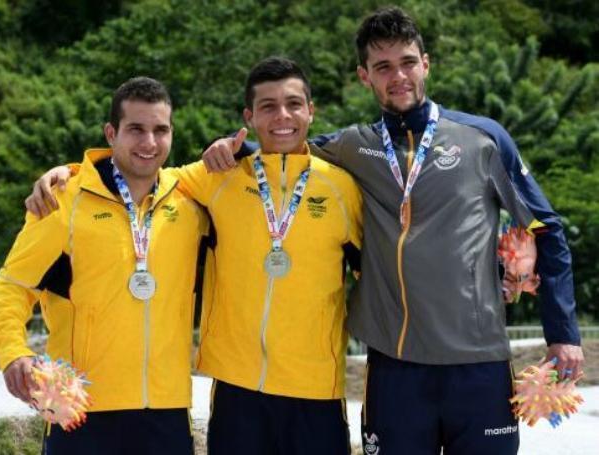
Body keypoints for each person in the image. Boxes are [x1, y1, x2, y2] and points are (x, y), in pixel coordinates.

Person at [201, 7, 584, 455]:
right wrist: (233, 148)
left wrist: (563, 333)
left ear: (426, 62)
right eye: (383, 67)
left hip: (478, 364)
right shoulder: (352, 146)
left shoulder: (483, 140)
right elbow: (288, 147)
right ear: (365, 76)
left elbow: (547, 228)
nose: (397, 76)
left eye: (407, 62)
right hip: (395, 370)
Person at [25, 57, 362, 454]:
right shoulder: (215, 178)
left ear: (311, 110)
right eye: (268, 107)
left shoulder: (343, 189)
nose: (282, 116)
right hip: (236, 392)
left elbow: (375, 273)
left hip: (316, 391)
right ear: (249, 116)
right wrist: (66, 175)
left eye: (293, 104)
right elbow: (137, 173)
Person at [0, 77, 210, 454]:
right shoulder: (63, 201)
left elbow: (253, 159)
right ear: (111, 133)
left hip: (166, 411)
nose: (149, 143)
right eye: (135, 129)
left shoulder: (191, 202)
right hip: (79, 407)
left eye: (160, 130)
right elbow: (13, 285)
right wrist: (14, 352)